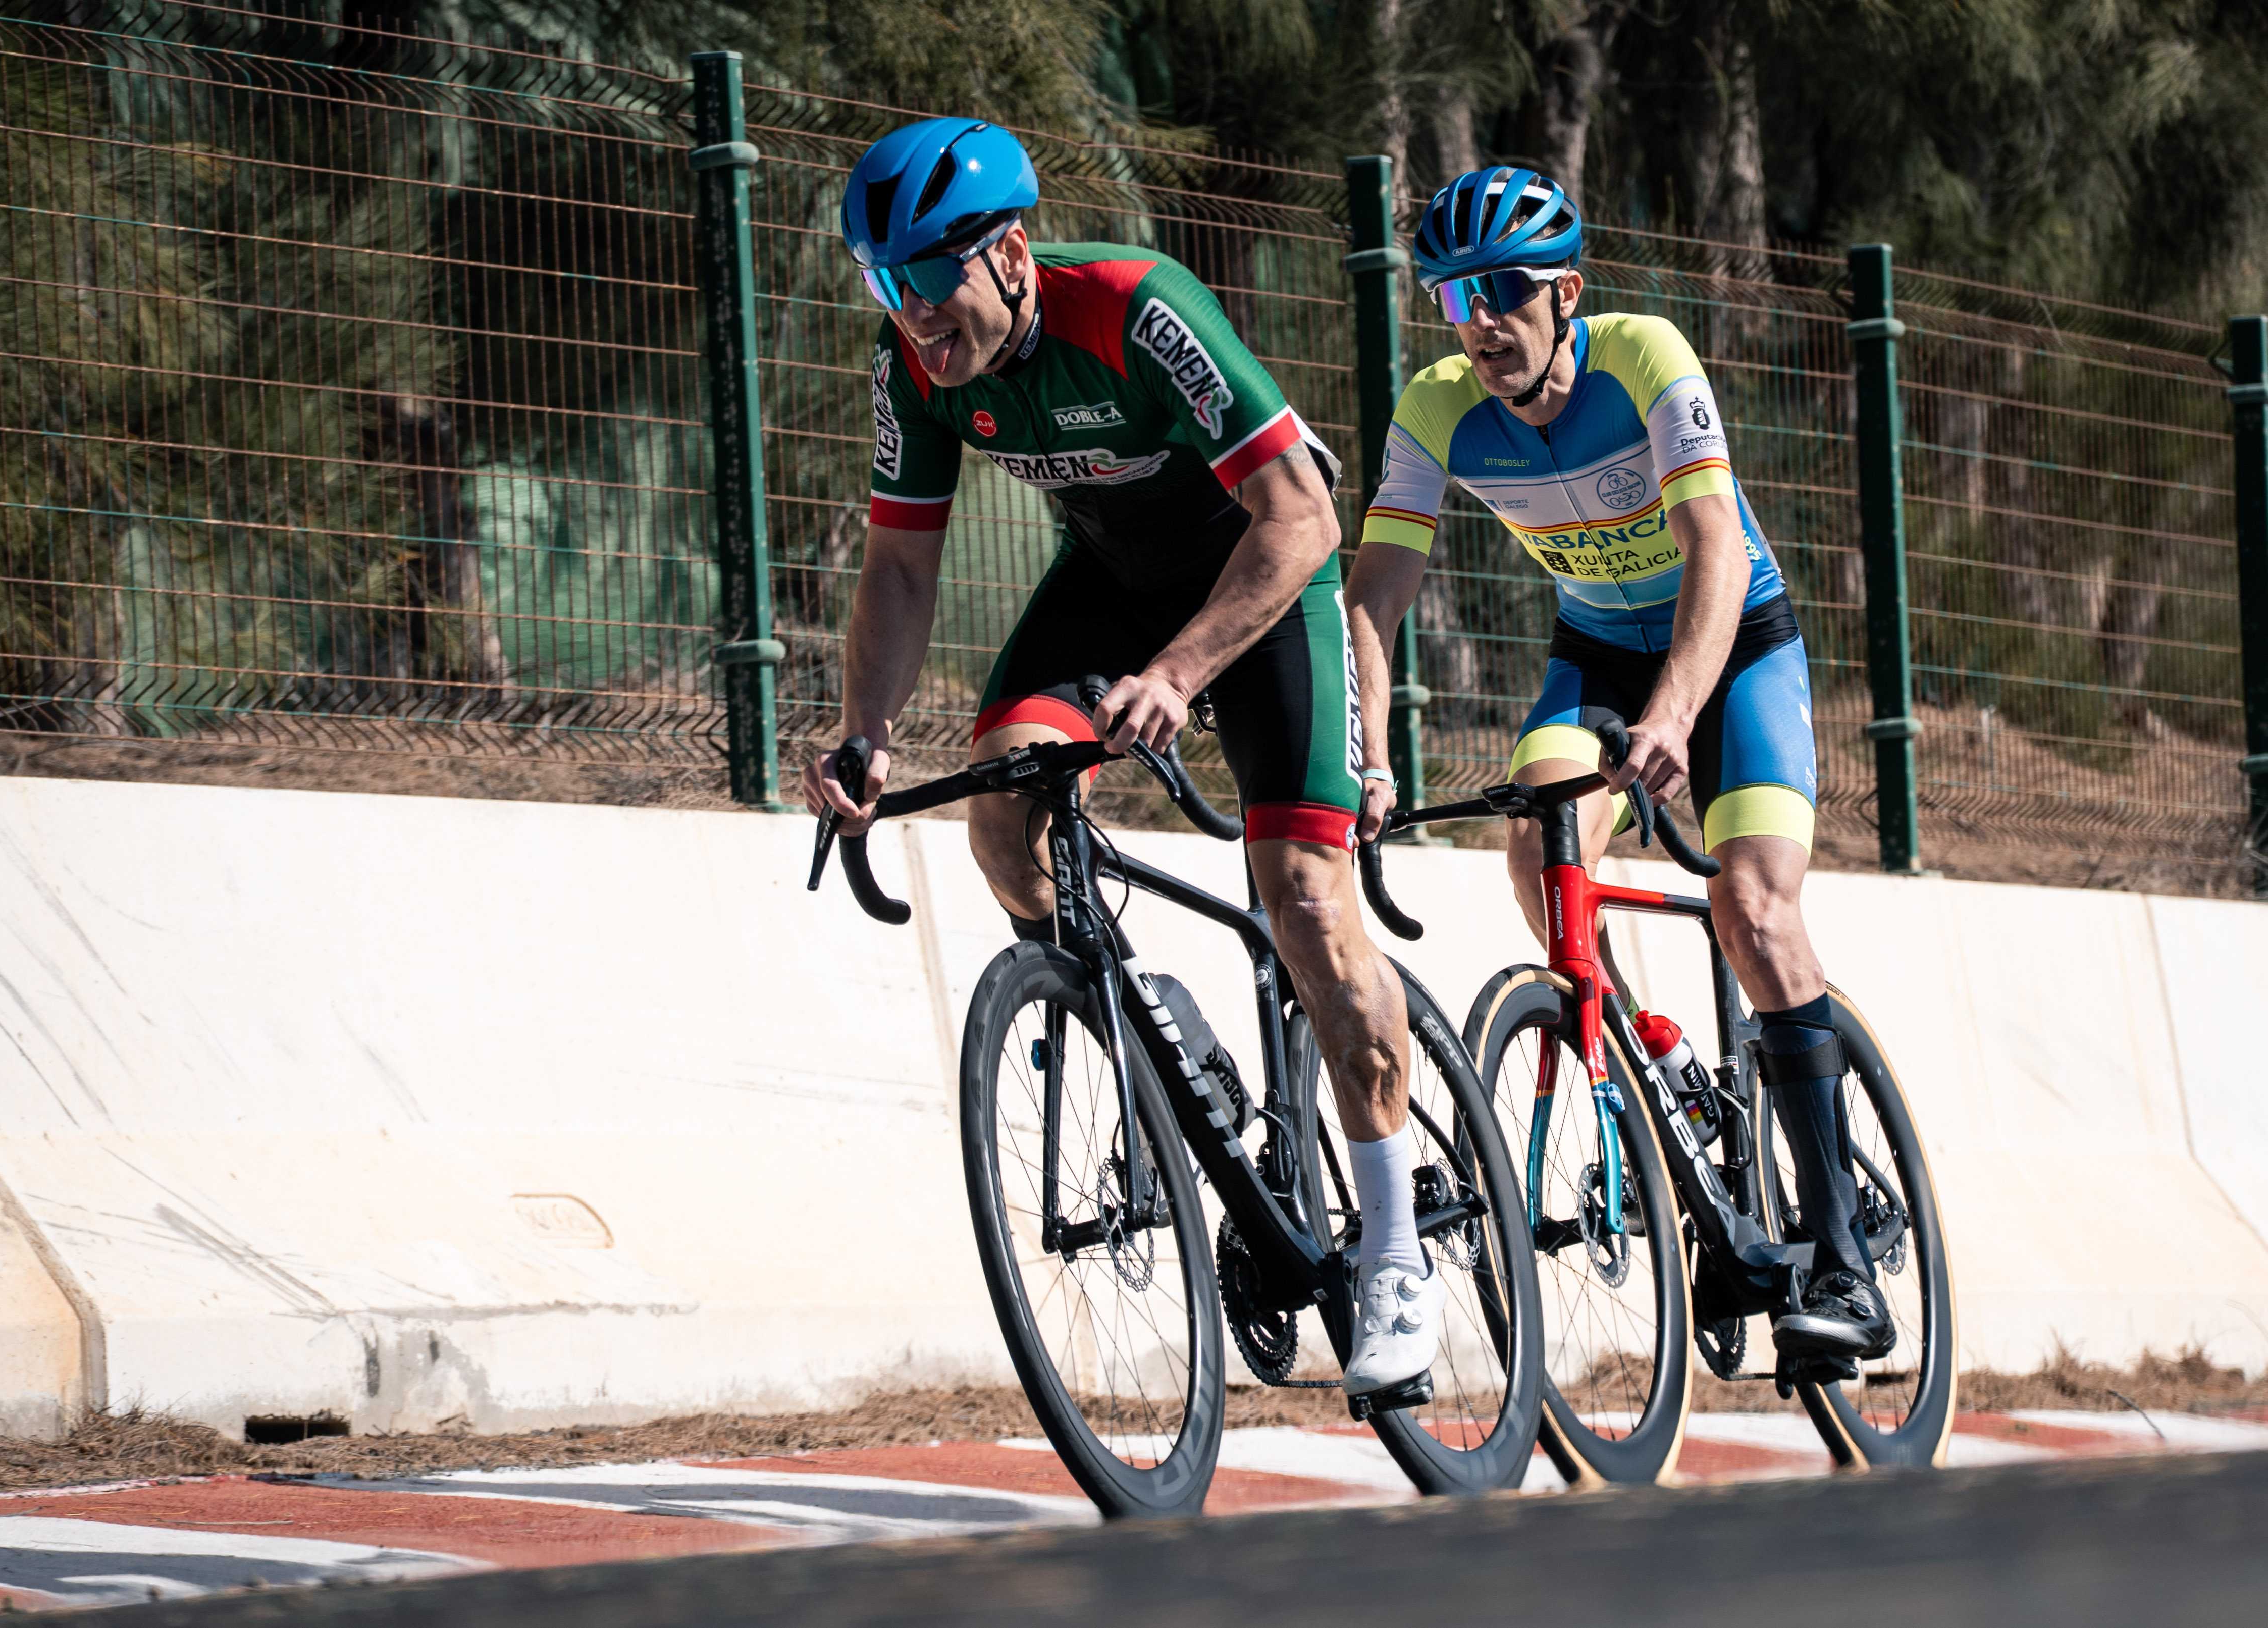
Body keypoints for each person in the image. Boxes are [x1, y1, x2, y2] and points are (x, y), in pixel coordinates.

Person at [803, 116, 1442, 1397]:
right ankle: (1160, 1025)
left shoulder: (1138, 308)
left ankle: (1392, 1251)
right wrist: (865, 734)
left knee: (1307, 900)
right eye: (883, 282)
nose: (912, 311)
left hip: (1265, 583)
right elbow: (901, 565)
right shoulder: (914, 370)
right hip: (1112, 584)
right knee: (1004, 819)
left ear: (1010, 255)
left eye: (927, 275)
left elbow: (1302, 518)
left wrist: (1182, 671)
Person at [1342, 166, 1893, 1364]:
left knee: (1752, 908)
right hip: (1594, 650)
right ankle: (1665, 1075)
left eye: (1504, 290)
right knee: (1539, 855)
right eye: (1454, 298)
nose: (1480, 320)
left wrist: (1677, 713)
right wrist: (1364, 758)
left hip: (1734, 643)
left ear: (1567, 293)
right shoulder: (1435, 406)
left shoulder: (1645, 357)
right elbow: (1372, 595)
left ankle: (1844, 1257)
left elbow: (1712, 545)